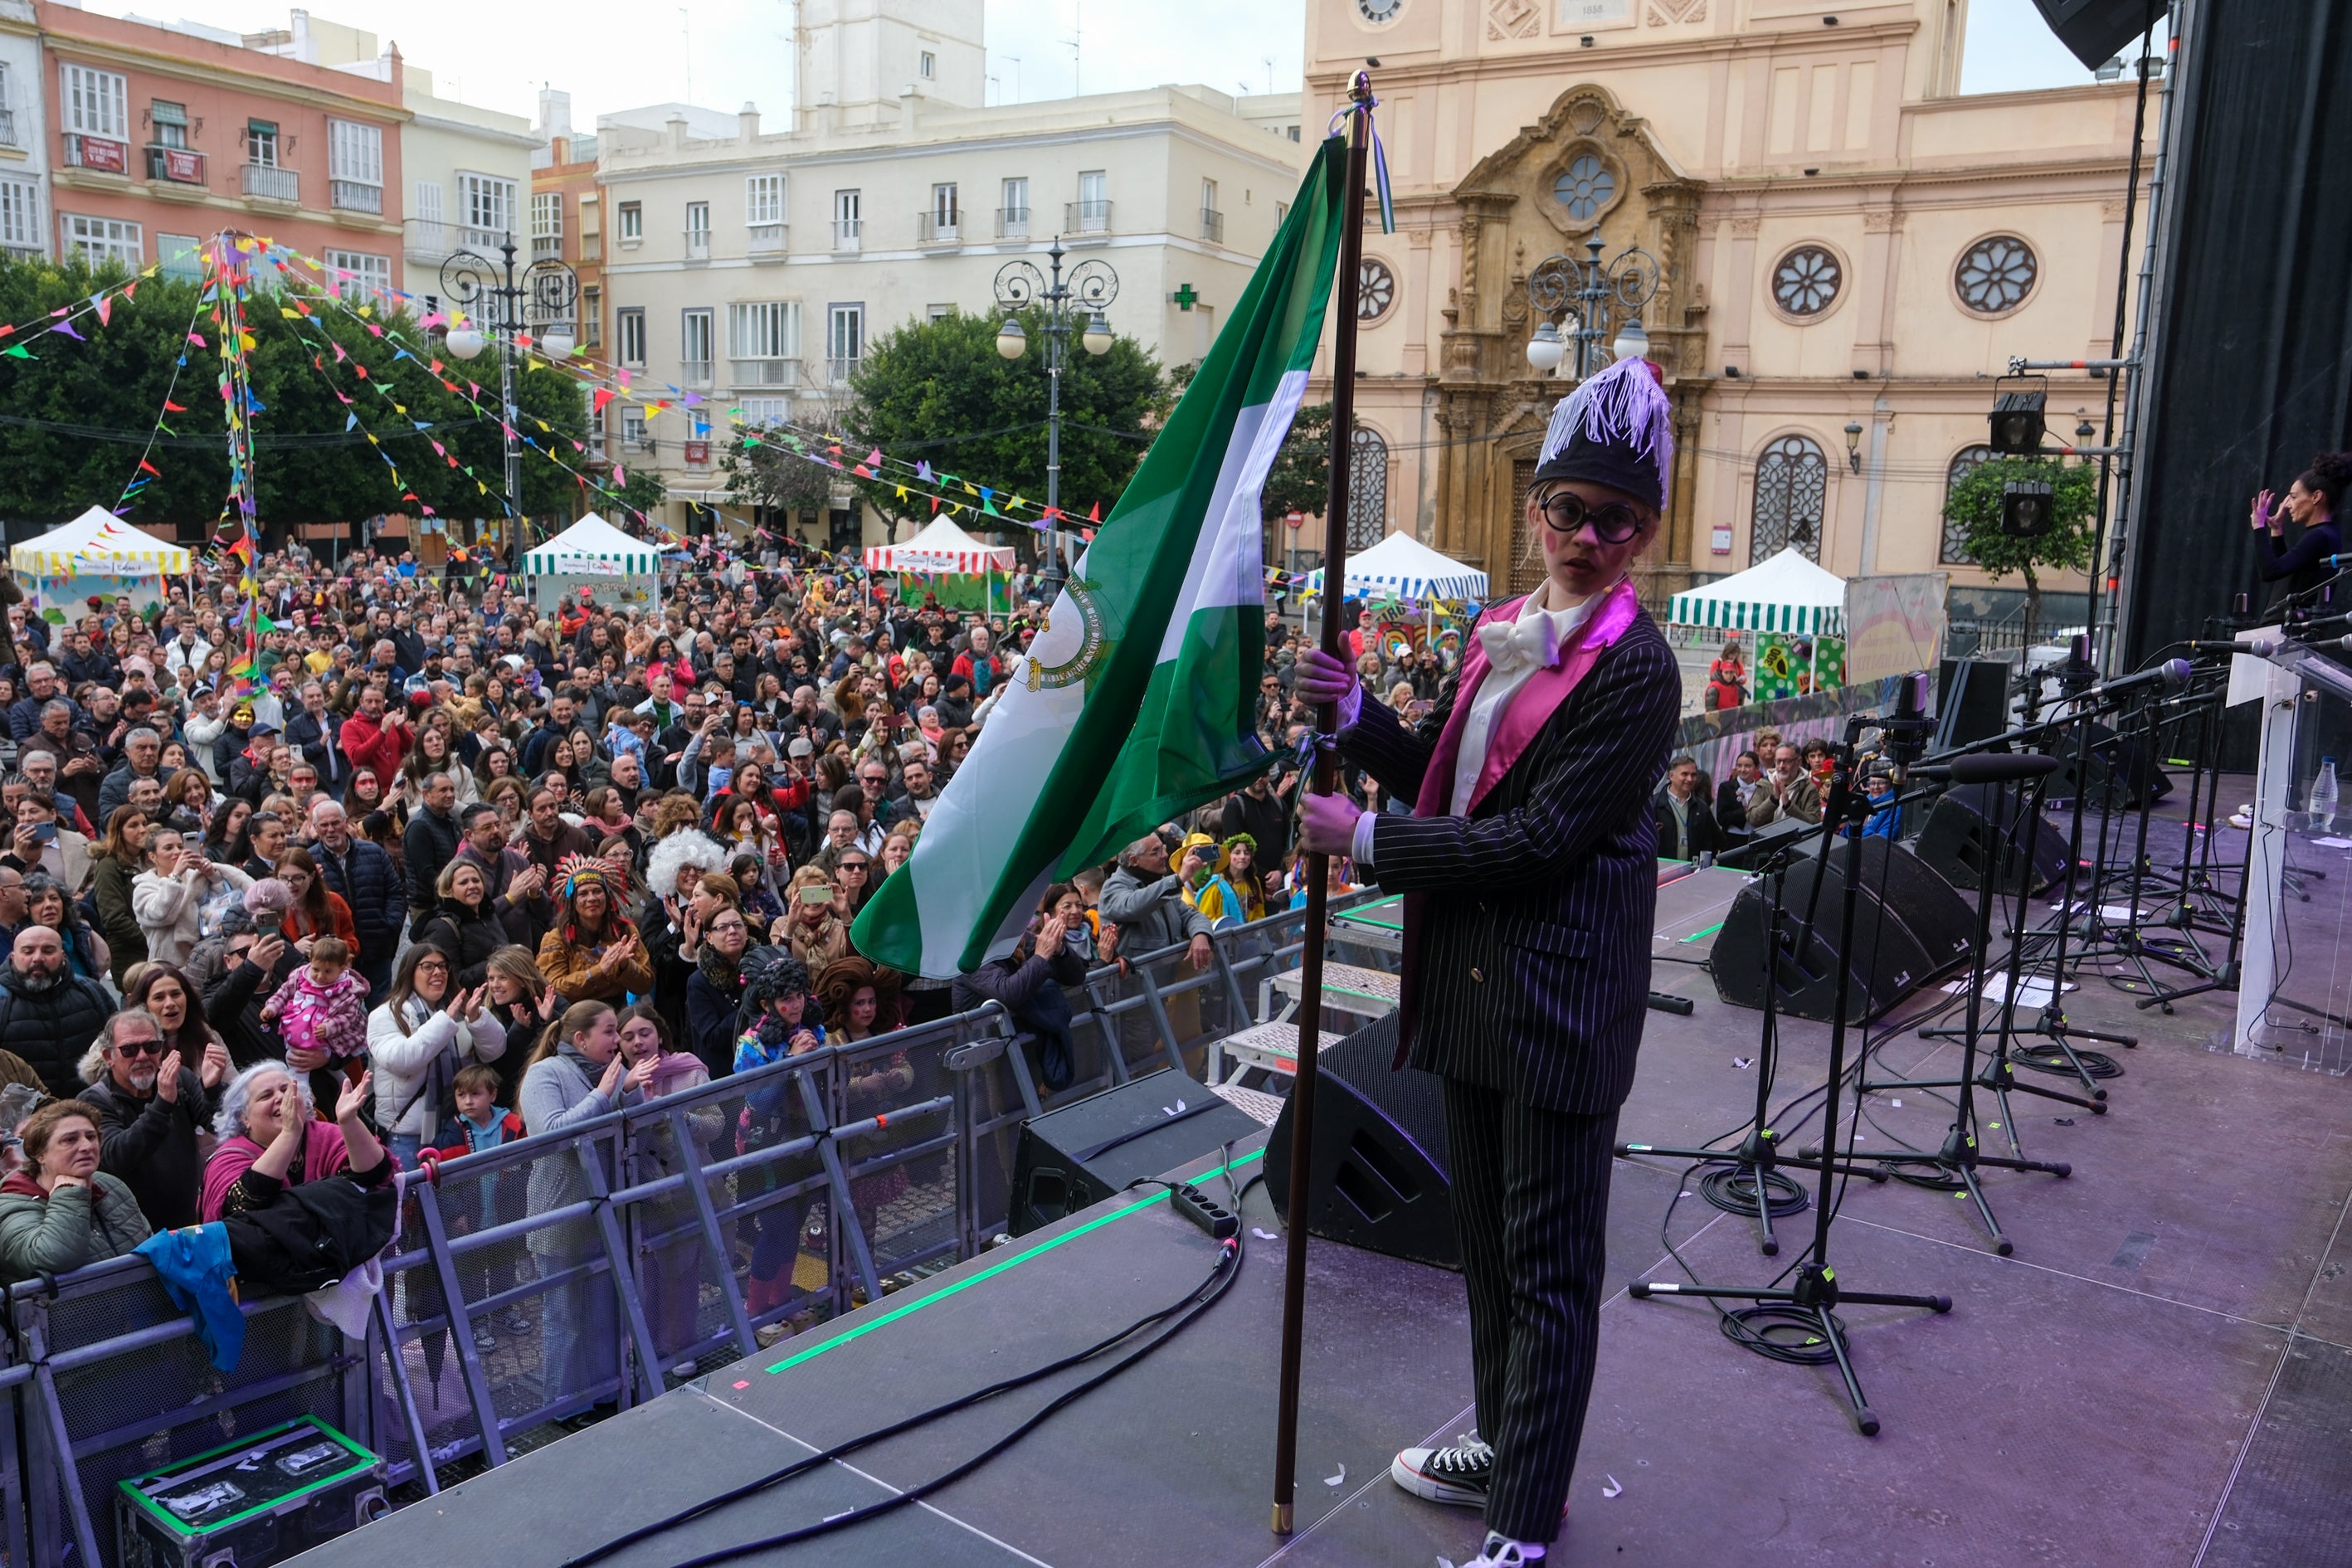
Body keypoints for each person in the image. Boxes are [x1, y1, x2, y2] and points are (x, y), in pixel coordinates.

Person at [1293, 353, 1683, 1568]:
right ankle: (1511, 1449)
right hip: (1466, 979)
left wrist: (1362, 837)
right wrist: (1360, 722)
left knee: (1549, 1267)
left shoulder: (1635, 666)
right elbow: (1463, 792)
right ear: (1536, 508)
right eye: (1566, 508)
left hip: (1556, 1001)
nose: (1584, 535)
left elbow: (1537, 838)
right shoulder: (1499, 630)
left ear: (1642, 532)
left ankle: (1522, 1522)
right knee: (1486, 1249)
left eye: (1612, 519)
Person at [520, 1000, 653, 1409]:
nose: (619, 1040)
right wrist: (604, 1095)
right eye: (611, 1031)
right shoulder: (545, 1074)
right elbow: (552, 1133)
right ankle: (564, 1407)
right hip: (561, 1217)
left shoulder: (615, 1075)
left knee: (605, 1313)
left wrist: (627, 1093)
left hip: (607, 1211)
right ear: (580, 1038)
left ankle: (605, 1392)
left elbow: (639, 1129)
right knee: (565, 1319)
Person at [614, 1003, 721, 1373]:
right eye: (628, 1037)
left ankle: (679, 1347)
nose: (638, 1042)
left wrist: (676, 1117)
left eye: (645, 1033)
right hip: (641, 1189)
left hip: (685, 1185)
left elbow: (716, 1125)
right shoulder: (616, 1083)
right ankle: (643, 1345)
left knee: (682, 1269)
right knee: (643, 1271)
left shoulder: (690, 1072)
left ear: (659, 1034)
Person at [79, 1008, 222, 1230]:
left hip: (191, 1221)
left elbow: (218, 1125)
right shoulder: (94, 1100)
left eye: (151, 1046)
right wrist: (163, 1105)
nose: (143, 1056)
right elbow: (115, 1157)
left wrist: (212, 1090)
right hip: (135, 1231)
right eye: (129, 1050)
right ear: (109, 1057)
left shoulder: (180, 1078)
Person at [367, 943, 506, 1170]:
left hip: (458, 1128)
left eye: (443, 966)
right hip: (408, 1138)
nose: (438, 972)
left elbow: (495, 1051)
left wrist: (477, 1019)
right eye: (428, 966)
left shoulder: (461, 1009)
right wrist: (444, 1021)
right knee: (412, 1204)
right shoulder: (385, 1015)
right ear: (409, 971)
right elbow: (402, 1061)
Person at [426, 1062, 531, 1353]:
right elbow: (439, 1183)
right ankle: (476, 1320)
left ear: (493, 1095)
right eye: (461, 1095)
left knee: (504, 1267)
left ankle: (503, 1311)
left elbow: (526, 1167)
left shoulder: (513, 1126)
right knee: (470, 1273)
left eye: (475, 1094)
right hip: (468, 1221)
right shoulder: (450, 1136)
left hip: (506, 1214)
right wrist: (455, 1213)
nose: (468, 1102)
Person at [200, 1061, 390, 1223]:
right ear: (244, 1118)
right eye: (266, 1096)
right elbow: (240, 1207)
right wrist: (289, 1134)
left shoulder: (326, 1135)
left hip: (340, 1252)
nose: (281, 1098)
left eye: (286, 1089)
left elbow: (376, 1177)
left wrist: (349, 1123)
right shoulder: (230, 1155)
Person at [952, 884, 1092, 1091]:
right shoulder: (969, 957)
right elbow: (1009, 992)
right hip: (986, 1063)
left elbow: (1076, 976)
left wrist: (1059, 949)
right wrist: (1042, 955)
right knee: (1001, 1119)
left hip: (1023, 1049)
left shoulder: (1020, 942)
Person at [0, 1100, 153, 1281]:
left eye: (91, 1136)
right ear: (40, 1154)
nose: (87, 1146)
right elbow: (52, 1259)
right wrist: (69, 1194)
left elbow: (147, 1242)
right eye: (70, 1140)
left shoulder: (111, 1185)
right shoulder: (12, 1204)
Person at [0, 925, 119, 1099]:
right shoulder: (3, 1000)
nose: (38, 958)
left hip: (89, 1109)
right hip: (25, 1118)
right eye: (28, 951)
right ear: (13, 957)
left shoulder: (92, 993)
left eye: (48, 951)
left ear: (63, 956)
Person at [309, 799, 404, 1000]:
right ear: (316, 828)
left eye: (335, 823)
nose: (331, 830)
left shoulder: (374, 852)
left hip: (376, 946)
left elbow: (395, 891)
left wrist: (390, 925)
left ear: (347, 822)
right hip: (334, 957)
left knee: (381, 1011)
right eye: (324, 825)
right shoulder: (309, 862)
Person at [260, 935, 373, 1103]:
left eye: (328, 971)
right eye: (316, 969)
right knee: (297, 1060)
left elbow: (347, 1016)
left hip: (324, 1035)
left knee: (320, 1063)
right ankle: (304, 1093)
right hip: (298, 1028)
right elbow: (284, 993)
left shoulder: (347, 988)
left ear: (342, 969)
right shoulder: (300, 976)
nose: (320, 976)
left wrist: (329, 1027)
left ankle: (312, 1092)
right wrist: (271, 1008)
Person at [535, 855, 653, 1005]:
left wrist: (626, 966)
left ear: (607, 896)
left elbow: (646, 983)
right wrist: (599, 971)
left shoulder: (625, 931)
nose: (592, 898)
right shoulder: (556, 938)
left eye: (598, 891)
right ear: (572, 902)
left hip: (617, 1013)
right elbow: (554, 989)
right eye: (583, 893)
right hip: (575, 1015)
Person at [130, 827, 252, 968]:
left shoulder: (195, 876)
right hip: (168, 964)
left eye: (180, 846)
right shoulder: (144, 887)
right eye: (168, 848)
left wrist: (212, 875)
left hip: (205, 959)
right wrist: (175, 877)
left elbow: (219, 907)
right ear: (153, 856)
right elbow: (162, 915)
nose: (177, 852)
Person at [1100, 833, 1216, 971]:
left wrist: (1201, 934)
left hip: (1164, 987)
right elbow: (1133, 906)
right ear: (1134, 860)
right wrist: (1179, 879)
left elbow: (1191, 915)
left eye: (1163, 848)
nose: (1165, 855)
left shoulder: (1161, 884)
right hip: (1134, 987)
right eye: (1156, 852)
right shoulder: (1113, 888)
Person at [2248, 451, 2350, 608]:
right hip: (2285, 626)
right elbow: (2283, 572)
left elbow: (2270, 572)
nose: (2288, 505)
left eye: (2294, 497)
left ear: (2316, 497)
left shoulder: (2320, 536)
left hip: (2288, 628)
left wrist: (2258, 526)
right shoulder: (2324, 534)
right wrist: (2276, 531)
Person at [416, 859, 506, 989]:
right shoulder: (443, 927)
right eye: (463, 883)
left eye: (476, 880)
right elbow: (450, 978)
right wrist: (497, 963)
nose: (472, 886)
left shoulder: (489, 915)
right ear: (448, 891)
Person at [684, 904, 751, 1078]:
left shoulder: (760, 967)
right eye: (722, 927)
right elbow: (713, 1038)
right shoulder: (699, 982)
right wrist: (751, 1006)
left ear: (746, 930)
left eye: (737, 925)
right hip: (726, 1076)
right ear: (709, 937)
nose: (732, 931)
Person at [20, 871, 108, 983]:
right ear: (27, 909)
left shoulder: (80, 935)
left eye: (54, 898)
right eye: (38, 901)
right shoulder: (22, 944)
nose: (49, 905)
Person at [1653, 753, 1730, 861]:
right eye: (1684, 774)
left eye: (1693, 775)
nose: (1689, 779)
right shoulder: (1655, 804)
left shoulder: (1701, 808)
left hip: (1692, 871)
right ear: (1671, 776)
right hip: (1661, 868)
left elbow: (1717, 839)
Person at [1746, 743, 1822, 829]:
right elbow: (1752, 819)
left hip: (1797, 841)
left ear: (1799, 761)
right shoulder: (1764, 784)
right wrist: (1773, 800)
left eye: (1787, 761)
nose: (1782, 766)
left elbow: (1813, 823)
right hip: (1766, 840)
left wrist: (1788, 806)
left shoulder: (1809, 788)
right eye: (1778, 761)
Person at [1706, 640, 1747, 711]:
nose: (1733, 657)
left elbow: (1743, 675)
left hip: (1734, 687)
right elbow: (1712, 676)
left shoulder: (1737, 663)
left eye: (1735, 655)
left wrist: (1740, 679)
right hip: (1720, 687)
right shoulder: (1717, 662)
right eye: (1732, 654)